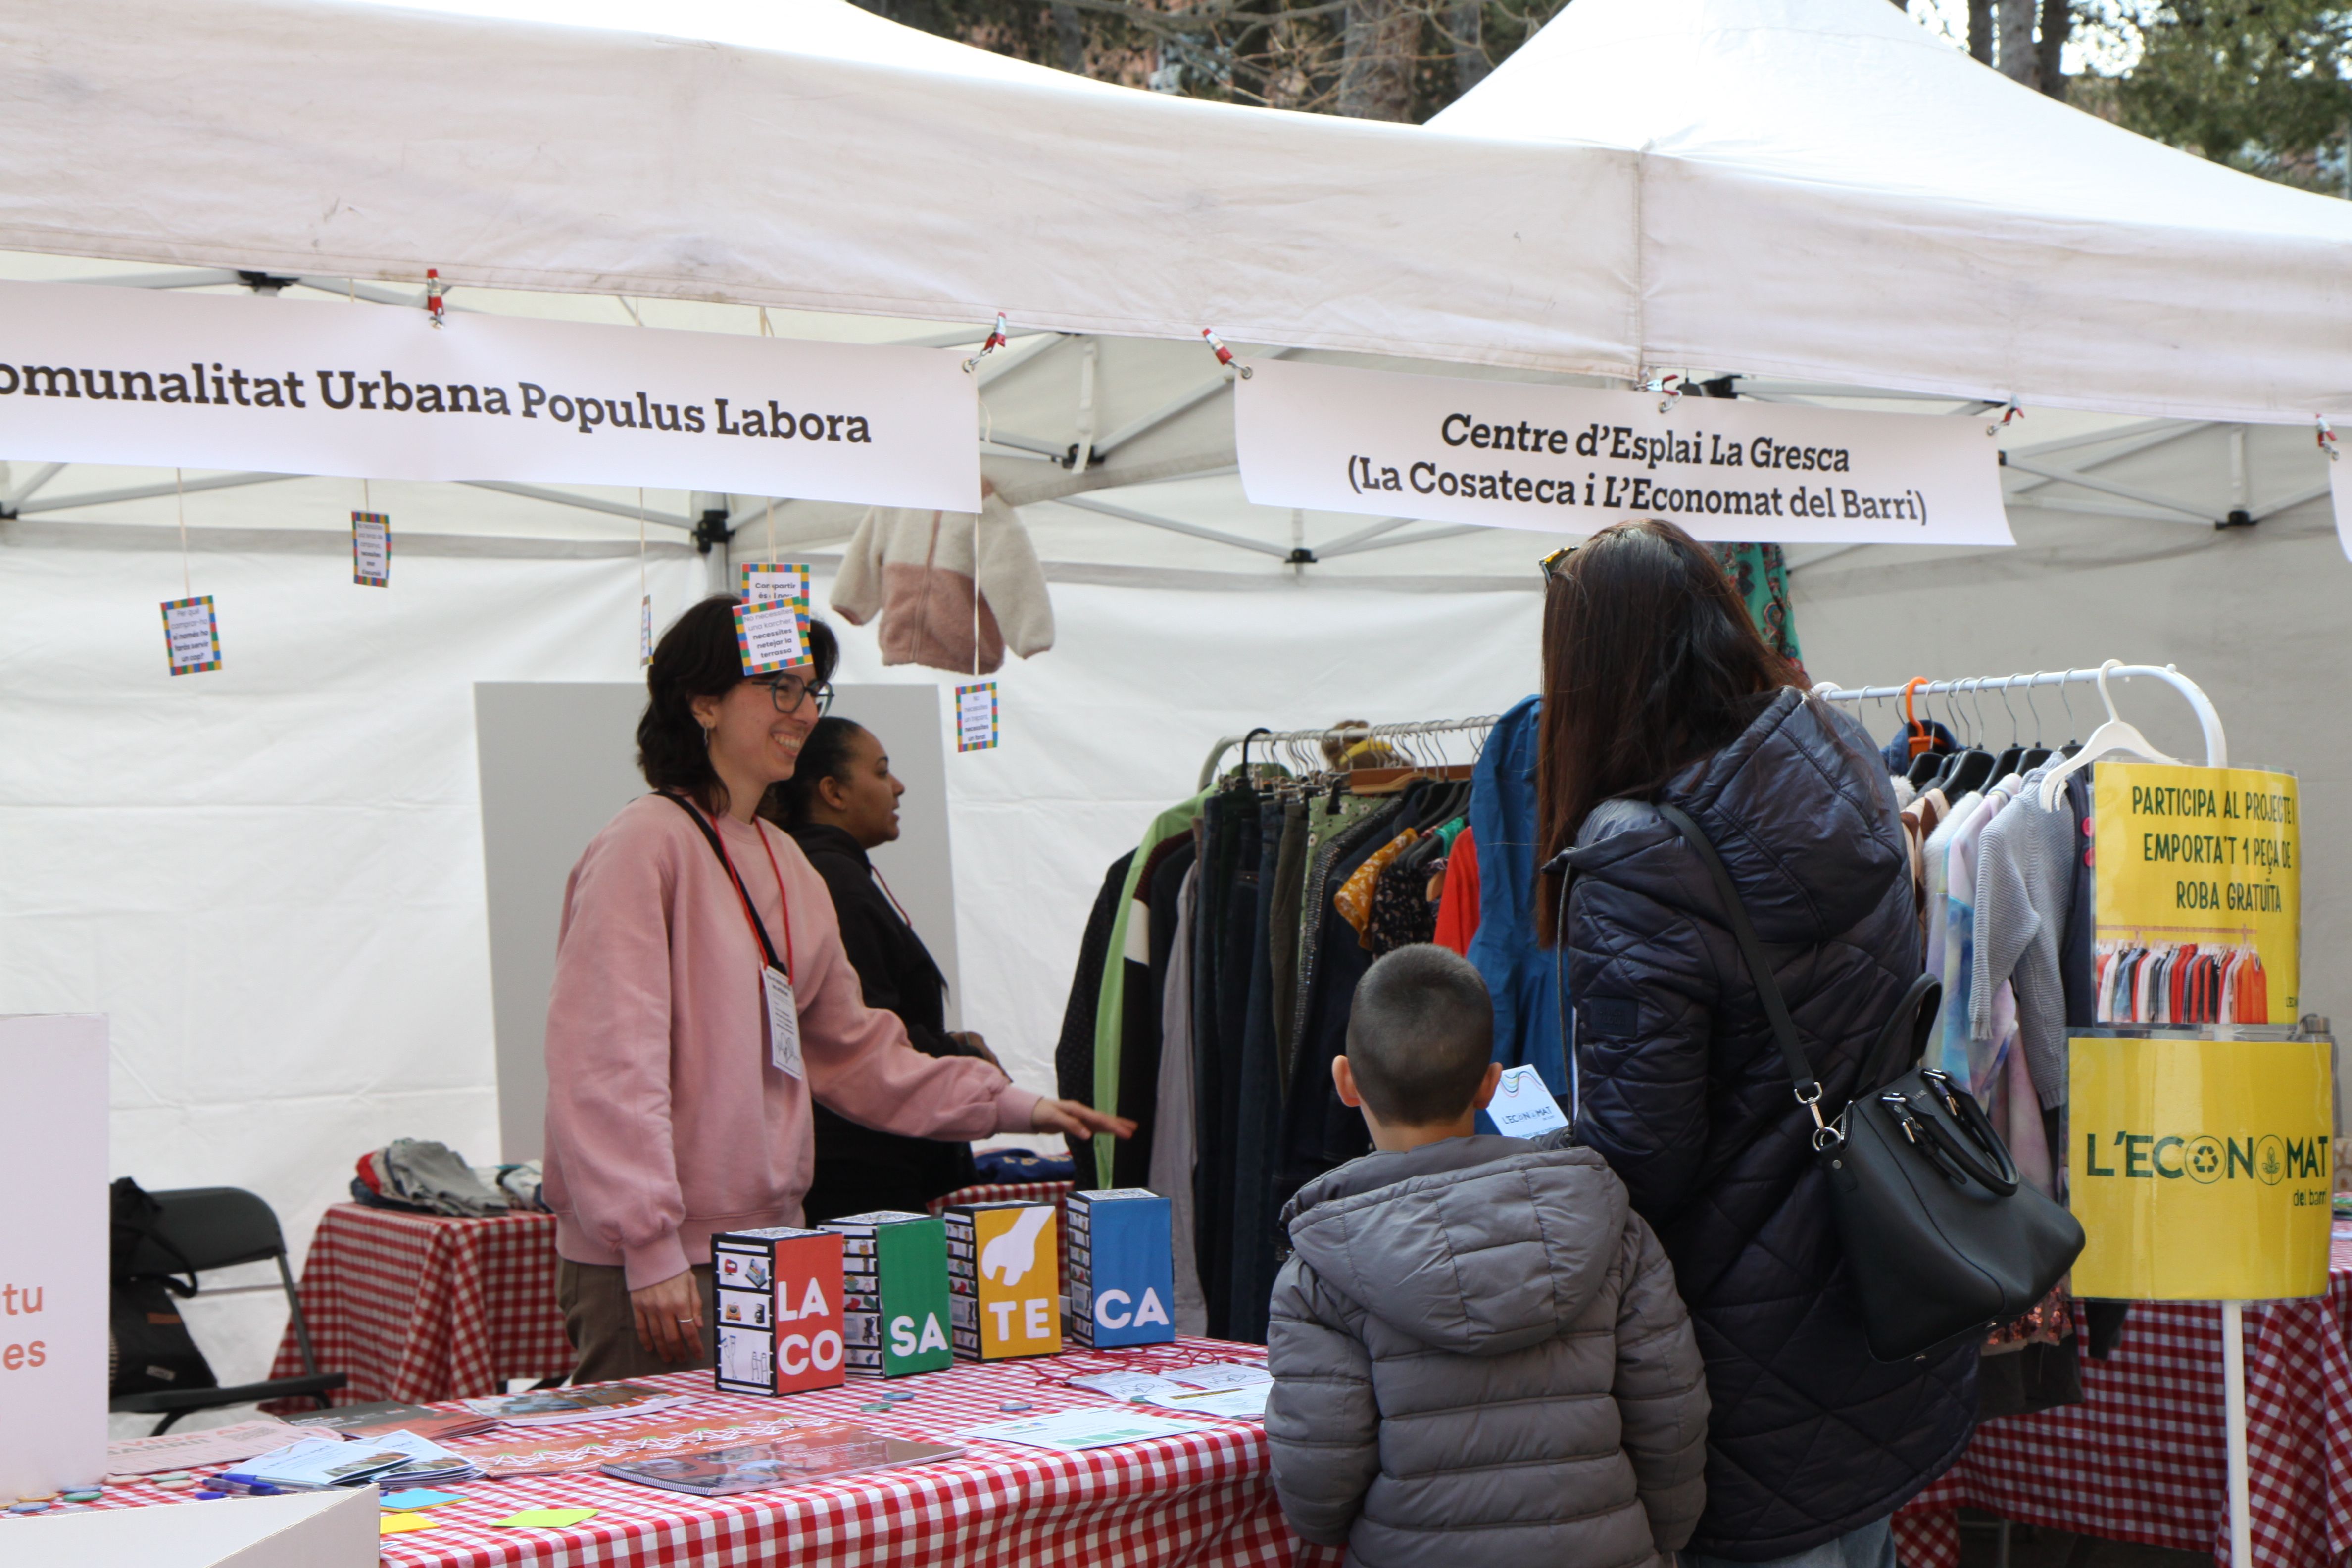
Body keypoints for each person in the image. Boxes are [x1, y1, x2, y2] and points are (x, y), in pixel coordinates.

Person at [540, 595, 1131, 1381]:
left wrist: (1012, 1106)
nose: (802, 710)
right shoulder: (645, 844)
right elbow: (608, 1065)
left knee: (768, 1497)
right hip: (658, 1266)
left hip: (777, 1247)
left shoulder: (787, 861)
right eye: (778, 687)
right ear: (704, 702)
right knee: (664, 1495)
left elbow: (855, 1054)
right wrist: (647, 1246)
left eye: (812, 689)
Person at [1535, 520, 1977, 1568]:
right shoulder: (1836, 758)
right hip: (1879, 1282)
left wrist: (1535, 1167)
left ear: (1588, 670)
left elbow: (1646, 1154)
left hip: (1742, 1347)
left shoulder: (1639, 857)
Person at [1264, 943, 1710, 1568]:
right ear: (1489, 1085)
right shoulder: (1612, 1225)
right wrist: (1661, 1538)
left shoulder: (1321, 1270)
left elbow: (1319, 1477)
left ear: (1345, 1081)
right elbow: (1671, 1414)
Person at [760, 715, 991, 1221]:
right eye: (882, 772)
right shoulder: (833, 883)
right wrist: (958, 1054)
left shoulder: (820, 874)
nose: (899, 786)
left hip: (850, 1155)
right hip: (858, 1168)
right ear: (833, 792)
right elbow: (861, 1034)